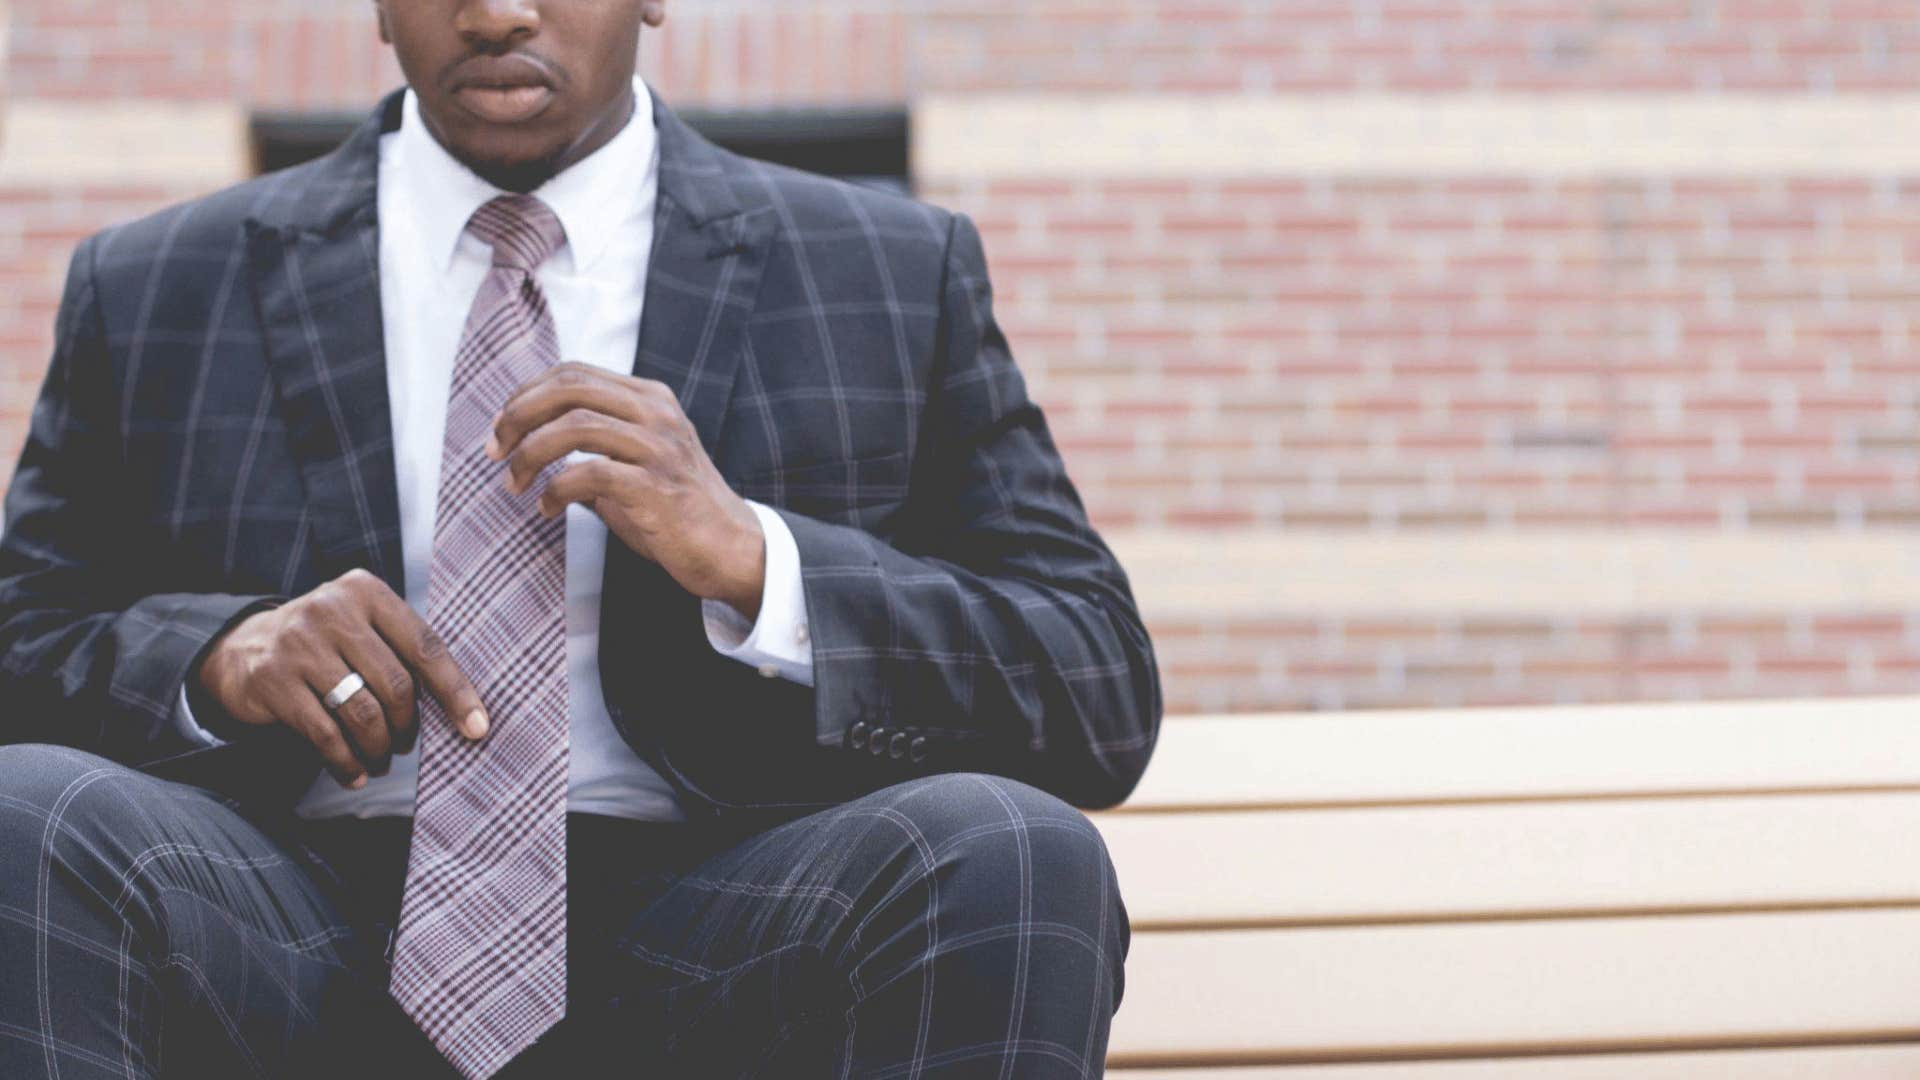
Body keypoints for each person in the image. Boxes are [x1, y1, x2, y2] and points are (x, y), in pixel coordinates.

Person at [0, 1, 1161, 1078]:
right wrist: (218, 659)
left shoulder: (889, 268)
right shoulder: (157, 282)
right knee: (30, 813)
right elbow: (21, 644)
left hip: (725, 924)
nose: (498, 10)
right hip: (284, 920)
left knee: (1010, 848)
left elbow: (1095, 684)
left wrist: (761, 566)